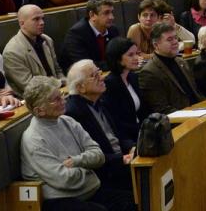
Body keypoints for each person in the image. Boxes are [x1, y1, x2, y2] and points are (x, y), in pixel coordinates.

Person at [20, 76, 128, 211]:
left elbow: (98, 155)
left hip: (90, 190)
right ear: (39, 111)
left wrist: (77, 161)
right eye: (56, 99)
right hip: (61, 199)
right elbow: (64, 179)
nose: (63, 101)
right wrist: (89, 168)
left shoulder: (68, 121)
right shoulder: (33, 139)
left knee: (130, 200)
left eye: (61, 95)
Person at [63, 62, 136, 208]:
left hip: (121, 162)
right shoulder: (73, 113)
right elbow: (86, 155)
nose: (101, 78)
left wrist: (132, 148)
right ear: (80, 88)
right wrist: (121, 159)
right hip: (103, 173)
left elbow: (120, 136)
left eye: (99, 72)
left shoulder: (100, 101)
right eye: (94, 76)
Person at [139, 22, 203, 114]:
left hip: (198, 111)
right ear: (156, 45)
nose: (175, 42)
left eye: (175, 38)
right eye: (169, 39)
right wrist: (192, 115)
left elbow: (196, 93)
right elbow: (162, 109)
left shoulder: (181, 62)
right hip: (180, 121)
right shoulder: (149, 72)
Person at [3, 5, 64, 96]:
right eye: (36, 19)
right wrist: (60, 83)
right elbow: (30, 86)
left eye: (42, 18)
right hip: (35, 100)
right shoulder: (12, 52)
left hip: (57, 92)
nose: (42, 22)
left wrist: (66, 85)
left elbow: (57, 70)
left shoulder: (47, 40)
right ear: (22, 23)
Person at [101, 38, 147, 149]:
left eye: (136, 53)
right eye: (130, 55)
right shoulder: (109, 85)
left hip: (141, 133)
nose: (137, 58)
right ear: (118, 59)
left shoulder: (133, 77)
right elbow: (117, 123)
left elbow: (143, 111)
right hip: (127, 140)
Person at [61, 0, 121, 71]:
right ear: (92, 15)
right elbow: (85, 66)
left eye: (112, 12)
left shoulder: (113, 30)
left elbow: (120, 55)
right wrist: (117, 64)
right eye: (106, 13)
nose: (112, 17)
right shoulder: (76, 34)